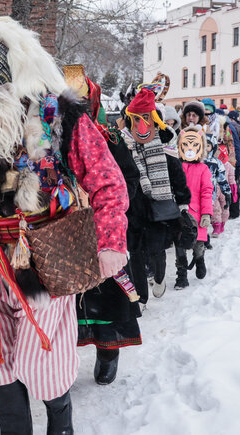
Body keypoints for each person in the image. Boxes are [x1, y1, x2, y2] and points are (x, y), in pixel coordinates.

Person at [0, 5, 130, 434]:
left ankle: (61, 428)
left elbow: (108, 182)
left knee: (46, 362)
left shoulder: (58, 116)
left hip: (46, 256)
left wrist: (113, 243)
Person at [64, 68, 142, 386]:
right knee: (67, 304)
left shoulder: (110, 139)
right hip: (67, 232)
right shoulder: (53, 136)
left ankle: (108, 352)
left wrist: (106, 210)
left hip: (103, 230)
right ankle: (59, 364)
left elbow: (128, 181)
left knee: (108, 299)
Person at [121, 89, 191, 306]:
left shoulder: (164, 145)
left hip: (158, 208)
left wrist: (183, 204)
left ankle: (159, 277)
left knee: (155, 250)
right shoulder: (123, 145)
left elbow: (178, 177)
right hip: (133, 209)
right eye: (136, 119)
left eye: (146, 118)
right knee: (135, 252)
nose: (142, 124)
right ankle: (141, 297)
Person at [175, 125, 214, 289]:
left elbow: (207, 191)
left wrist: (206, 213)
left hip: (197, 215)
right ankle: (182, 275)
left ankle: (199, 259)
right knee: (179, 245)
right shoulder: (176, 166)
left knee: (198, 244)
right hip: (179, 214)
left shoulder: (203, 169)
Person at [204, 133, 231, 236]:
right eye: (202, 145)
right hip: (195, 193)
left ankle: (205, 238)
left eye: (208, 145)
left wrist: (227, 192)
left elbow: (222, 180)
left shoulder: (216, 163)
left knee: (208, 214)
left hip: (210, 194)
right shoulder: (195, 161)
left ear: (213, 147)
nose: (205, 148)